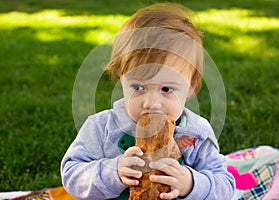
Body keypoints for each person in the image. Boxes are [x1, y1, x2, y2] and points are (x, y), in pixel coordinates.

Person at [61, 2, 235, 200]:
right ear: (121, 79)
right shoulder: (102, 127)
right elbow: (71, 174)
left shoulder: (197, 133)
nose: (151, 103)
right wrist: (114, 171)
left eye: (166, 89)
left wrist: (190, 183)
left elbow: (226, 185)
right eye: (138, 87)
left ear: (191, 87)